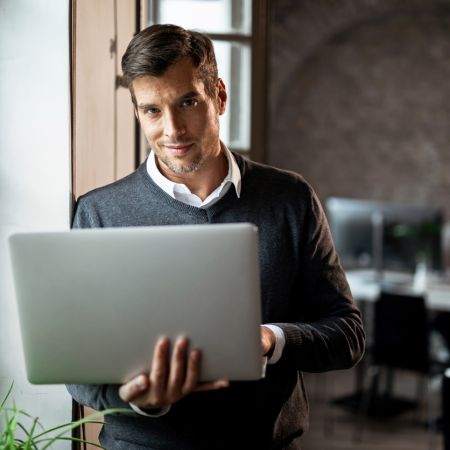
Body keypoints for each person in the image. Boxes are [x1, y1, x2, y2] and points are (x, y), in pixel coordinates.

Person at [67, 23, 365, 450]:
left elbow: (347, 335)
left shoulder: (290, 198)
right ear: (137, 113)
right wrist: (142, 400)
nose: (172, 129)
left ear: (219, 96)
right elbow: (77, 368)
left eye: (187, 102)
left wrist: (270, 339)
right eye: (152, 110)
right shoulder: (99, 212)